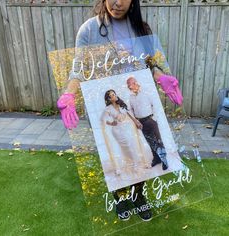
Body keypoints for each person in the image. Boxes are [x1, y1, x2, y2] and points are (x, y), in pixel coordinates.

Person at [57, 0, 183, 222]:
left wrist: (161, 77)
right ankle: (120, 198)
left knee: (137, 149)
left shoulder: (142, 30)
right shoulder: (89, 29)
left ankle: (139, 196)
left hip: (130, 104)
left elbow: (152, 63)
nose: (116, 2)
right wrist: (69, 93)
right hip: (104, 106)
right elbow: (78, 69)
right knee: (115, 153)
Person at [101, 89, 153, 172]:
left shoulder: (121, 104)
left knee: (133, 145)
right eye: (111, 96)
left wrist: (137, 122)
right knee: (127, 147)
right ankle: (133, 165)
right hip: (117, 130)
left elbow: (130, 114)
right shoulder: (108, 109)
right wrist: (111, 123)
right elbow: (102, 120)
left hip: (128, 128)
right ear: (109, 99)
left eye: (114, 94)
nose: (114, 96)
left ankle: (139, 163)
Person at [127, 76, 168, 170]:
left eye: (131, 84)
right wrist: (136, 121)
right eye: (128, 86)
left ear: (136, 83)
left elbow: (155, 105)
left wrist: (154, 118)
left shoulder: (146, 93)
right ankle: (156, 159)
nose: (130, 87)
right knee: (150, 142)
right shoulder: (131, 97)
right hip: (141, 123)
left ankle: (164, 160)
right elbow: (130, 110)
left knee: (158, 141)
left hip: (151, 120)